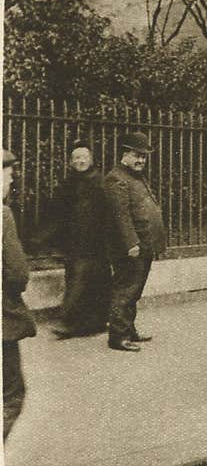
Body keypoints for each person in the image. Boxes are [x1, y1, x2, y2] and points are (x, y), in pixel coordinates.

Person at [32, 141, 111, 339]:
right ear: (70, 162)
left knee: (93, 282)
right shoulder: (69, 184)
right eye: (76, 157)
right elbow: (57, 214)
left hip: (96, 242)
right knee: (77, 279)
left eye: (84, 157)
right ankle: (76, 323)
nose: (80, 160)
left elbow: (110, 213)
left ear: (91, 160)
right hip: (76, 242)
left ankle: (85, 322)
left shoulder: (100, 182)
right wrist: (41, 238)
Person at [104, 132, 165, 352]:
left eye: (144, 156)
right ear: (124, 154)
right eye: (137, 155)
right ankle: (118, 337)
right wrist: (131, 243)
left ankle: (129, 330)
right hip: (130, 248)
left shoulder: (133, 176)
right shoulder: (116, 178)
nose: (141, 160)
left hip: (143, 245)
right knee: (126, 289)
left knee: (134, 290)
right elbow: (121, 215)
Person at [3, 150, 36, 441]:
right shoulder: (2, 214)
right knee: (11, 394)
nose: (10, 179)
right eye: (8, 173)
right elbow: (17, 273)